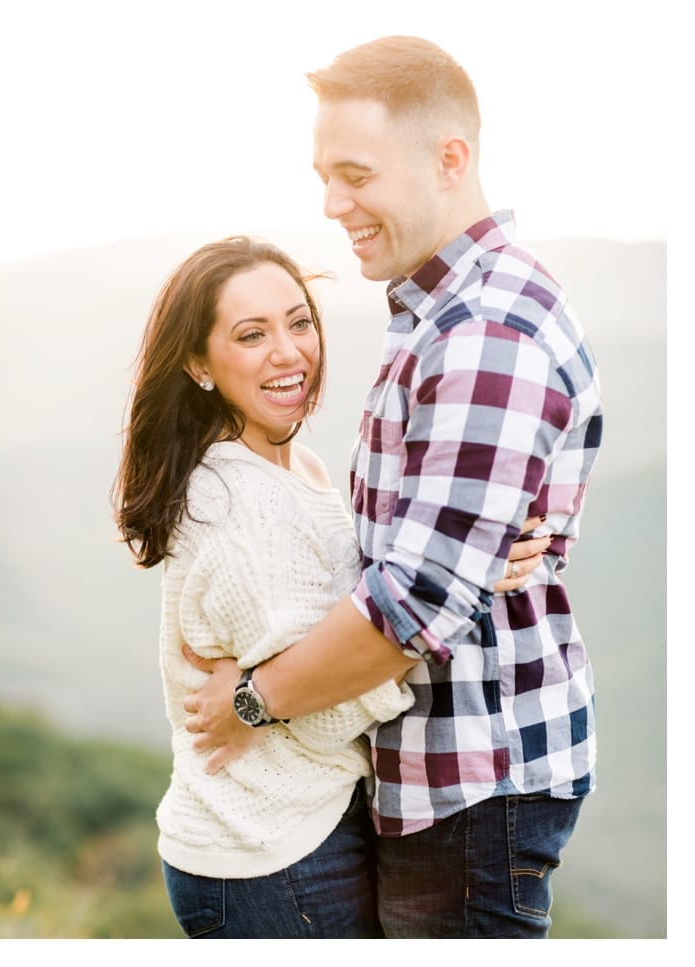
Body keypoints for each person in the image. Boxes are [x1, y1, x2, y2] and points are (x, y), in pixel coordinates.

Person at [181, 36, 603, 939]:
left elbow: (410, 603)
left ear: (450, 158)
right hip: (441, 781)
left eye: (356, 174)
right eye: (325, 175)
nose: (334, 204)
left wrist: (251, 699)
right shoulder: (444, 312)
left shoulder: (485, 331)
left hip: (470, 789)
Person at [113, 236, 547, 938]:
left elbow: (335, 629)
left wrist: (448, 563)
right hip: (267, 853)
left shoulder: (297, 466)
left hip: (292, 826)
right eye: (251, 335)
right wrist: (460, 579)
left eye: (299, 321)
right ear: (197, 363)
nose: (288, 352)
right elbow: (323, 701)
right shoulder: (236, 503)